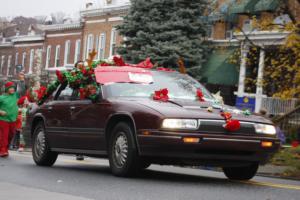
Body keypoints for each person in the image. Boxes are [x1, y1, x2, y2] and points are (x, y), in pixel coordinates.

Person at [0, 82, 19, 157]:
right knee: (4, 135)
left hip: (13, 120)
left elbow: (22, 90)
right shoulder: (1, 97)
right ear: (7, 89)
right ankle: (3, 150)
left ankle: (4, 148)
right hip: (3, 119)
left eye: (13, 88)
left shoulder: (15, 95)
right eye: (10, 88)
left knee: (11, 135)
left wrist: (22, 81)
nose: (12, 89)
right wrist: (0, 111)